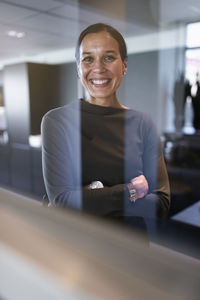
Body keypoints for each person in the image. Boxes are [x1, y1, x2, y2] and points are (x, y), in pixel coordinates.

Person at [41, 23, 170, 223]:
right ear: (78, 68)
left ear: (124, 65)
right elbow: (63, 201)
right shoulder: (57, 121)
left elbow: (161, 205)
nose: (98, 68)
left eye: (108, 57)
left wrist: (87, 195)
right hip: (75, 244)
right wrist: (130, 190)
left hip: (130, 245)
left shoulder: (144, 123)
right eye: (88, 59)